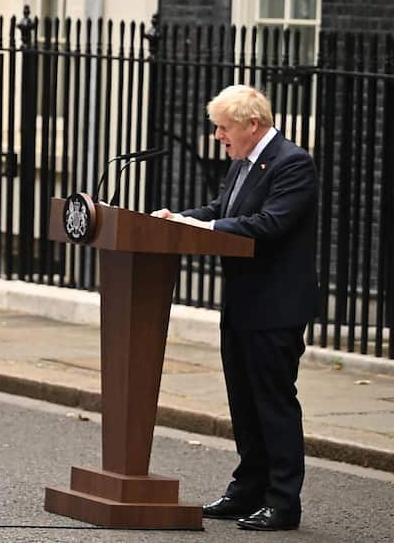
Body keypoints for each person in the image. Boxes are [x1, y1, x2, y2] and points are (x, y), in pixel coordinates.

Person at [151, 85, 317, 532]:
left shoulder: (292, 163)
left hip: (275, 307)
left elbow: (269, 223)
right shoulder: (244, 162)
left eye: (223, 128)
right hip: (242, 304)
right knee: (244, 404)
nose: (218, 136)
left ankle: (283, 503)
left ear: (252, 125)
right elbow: (223, 210)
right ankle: (247, 491)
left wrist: (204, 225)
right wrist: (179, 219)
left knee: (273, 403)